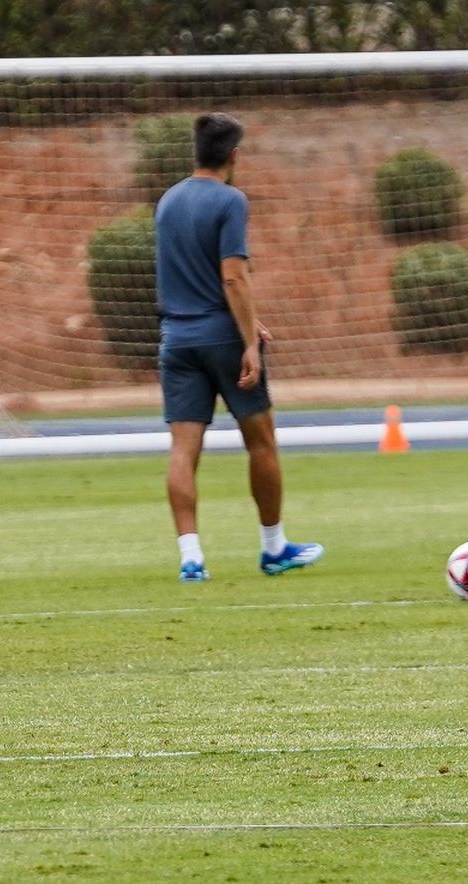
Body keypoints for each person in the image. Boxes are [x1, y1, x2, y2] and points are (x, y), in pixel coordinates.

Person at [154, 112, 324, 583]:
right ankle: (274, 548)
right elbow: (232, 276)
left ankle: (191, 557)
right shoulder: (231, 201)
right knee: (261, 441)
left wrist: (252, 321)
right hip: (223, 339)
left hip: (176, 340)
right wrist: (249, 340)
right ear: (234, 155)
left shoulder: (167, 201)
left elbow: (191, 277)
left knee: (183, 451)